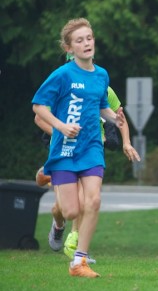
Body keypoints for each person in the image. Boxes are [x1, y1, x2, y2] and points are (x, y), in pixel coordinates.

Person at [32, 18, 127, 278]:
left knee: (93, 200)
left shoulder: (101, 75)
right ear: (69, 48)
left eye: (89, 38)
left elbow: (100, 106)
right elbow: (38, 107)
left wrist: (113, 118)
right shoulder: (62, 75)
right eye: (80, 40)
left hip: (91, 147)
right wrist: (61, 126)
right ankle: (58, 221)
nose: (87, 43)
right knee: (72, 210)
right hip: (64, 148)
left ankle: (79, 262)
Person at [35, 86, 140, 262]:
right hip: (65, 150)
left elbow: (118, 117)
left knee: (88, 200)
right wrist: (62, 133)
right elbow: (39, 117)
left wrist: (126, 142)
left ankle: (77, 248)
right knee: (64, 208)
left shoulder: (103, 87)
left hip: (91, 150)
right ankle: (59, 225)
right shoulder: (64, 84)